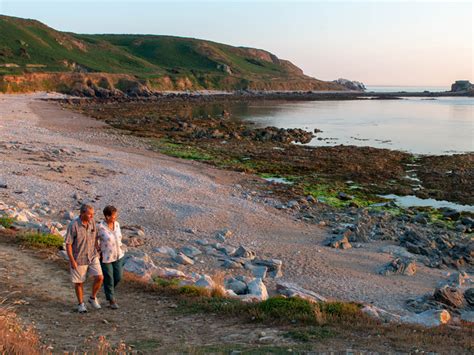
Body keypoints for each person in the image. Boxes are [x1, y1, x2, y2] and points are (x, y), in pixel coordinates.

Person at [65, 204, 104, 313]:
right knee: (79, 282)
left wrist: (98, 249)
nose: (92, 216)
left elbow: (95, 237)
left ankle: (92, 298)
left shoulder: (92, 222)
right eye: (90, 214)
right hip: (79, 257)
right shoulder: (73, 225)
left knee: (100, 277)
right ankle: (81, 304)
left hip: (92, 255)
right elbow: (68, 244)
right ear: (82, 213)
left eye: (93, 214)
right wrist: (72, 260)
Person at [98, 205, 125, 309]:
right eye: (114, 216)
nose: (115, 218)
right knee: (109, 278)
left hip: (119, 255)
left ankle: (107, 291)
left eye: (116, 216)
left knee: (118, 277)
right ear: (107, 217)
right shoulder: (100, 227)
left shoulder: (117, 224)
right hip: (106, 257)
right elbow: (94, 239)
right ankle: (111, 300)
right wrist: (97, 249)